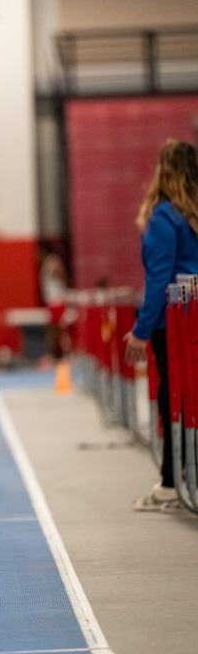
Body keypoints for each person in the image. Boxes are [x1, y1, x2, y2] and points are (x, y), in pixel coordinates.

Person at [124, 140, 198, 512]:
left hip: (178, 321)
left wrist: (141, 331)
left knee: (175, 398)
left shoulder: (164, 217)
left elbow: (158, 279)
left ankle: (172, 482)